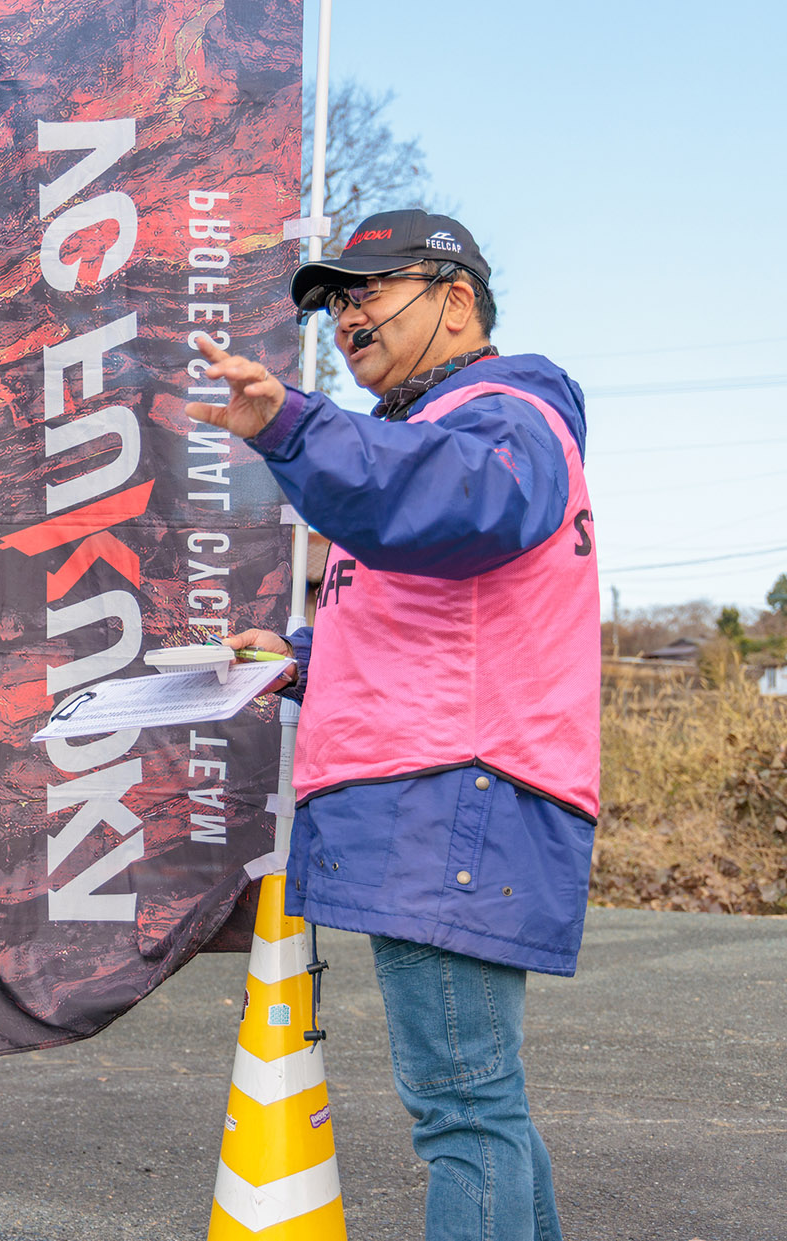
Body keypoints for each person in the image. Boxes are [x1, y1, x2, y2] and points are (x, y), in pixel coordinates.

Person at [191, 210, 596, 1241]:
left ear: (455, 300)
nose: (346, 318)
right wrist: (299, 659)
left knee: (464, 1108)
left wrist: (293, 426)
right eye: (334, 302)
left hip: (449, 791)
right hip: (443, 789)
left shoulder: (504, 415)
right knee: (481, 1099)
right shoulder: (446, 431)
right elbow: (441, 623)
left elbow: (454, 505)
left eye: (369, 291)